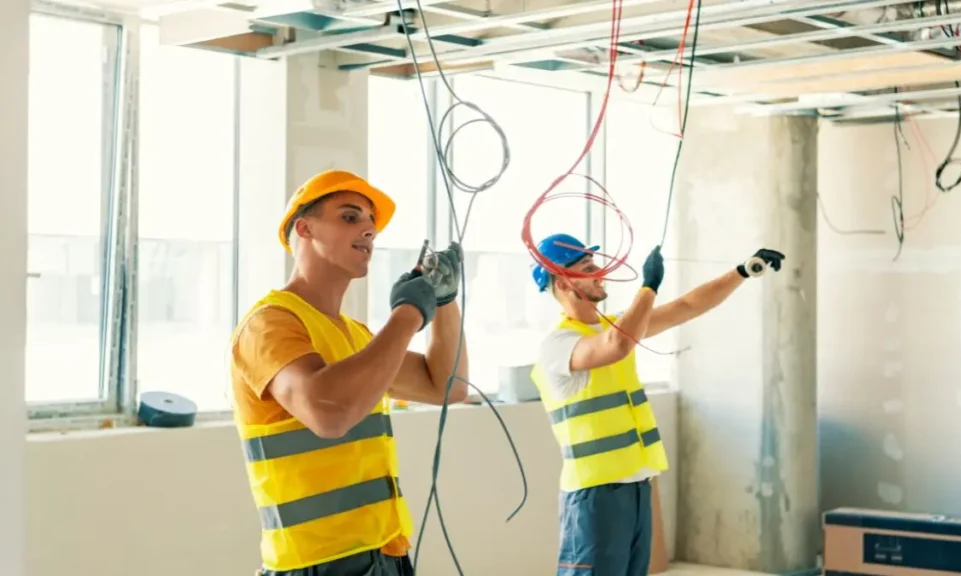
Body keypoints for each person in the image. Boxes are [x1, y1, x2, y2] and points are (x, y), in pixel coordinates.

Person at [230, 170, 469, 576]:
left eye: (371, 224)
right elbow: (329, 413)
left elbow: (447, 386)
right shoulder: (268, 324)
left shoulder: (356, 335)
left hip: (385, 554)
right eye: (349, 217)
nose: (369, 231)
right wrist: (410, 313)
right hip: (316, 565)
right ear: (304, 228)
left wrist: (443, 301)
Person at [528, 233, 784, 576]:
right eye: (588, 267)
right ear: (562, 282)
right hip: (595, 495)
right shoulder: (559, 344)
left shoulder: (613, 327)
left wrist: (742, 271)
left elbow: (687, 307)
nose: (601, 271)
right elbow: (616, 346)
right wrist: (648, 286)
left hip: (634, 487)